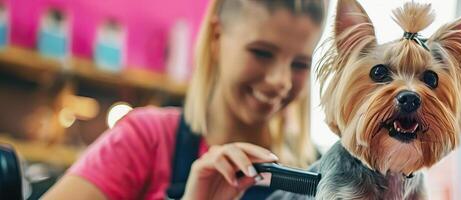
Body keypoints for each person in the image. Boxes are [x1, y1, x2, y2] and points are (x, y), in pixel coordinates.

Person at [43, 0, 326, 199]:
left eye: (300, 64)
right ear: (217, 38)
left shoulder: (318, 174)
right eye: (262, 53)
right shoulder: (146, 139)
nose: (281, 80)